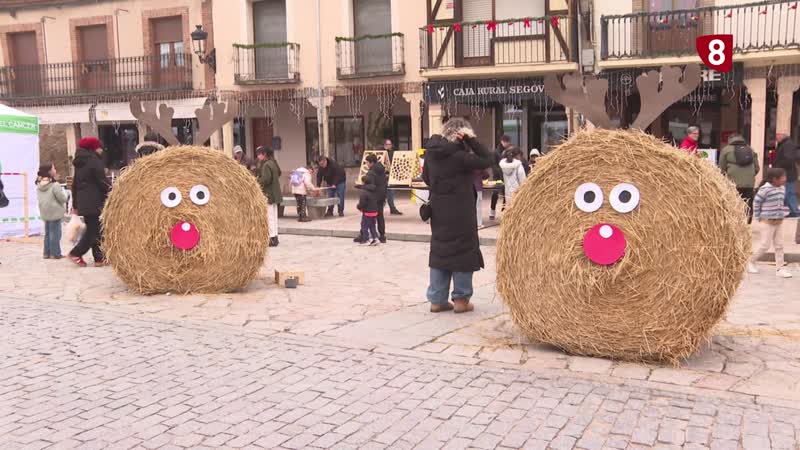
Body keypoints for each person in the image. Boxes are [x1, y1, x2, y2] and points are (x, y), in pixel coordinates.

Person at [422, 118, 494, 313]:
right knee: (463, 250)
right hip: (462, 212)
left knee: (440, 251)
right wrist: (472, 141)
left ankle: (437, 300)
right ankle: (461, 300)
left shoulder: (431, 155)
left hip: (439, 211)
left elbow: (426, 178)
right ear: (463, 135)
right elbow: (488, 159)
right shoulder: (461, 157)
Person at [69, 136, 111, 267]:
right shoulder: (94, 161)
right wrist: (113, 191)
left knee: (96, 229)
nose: (101, 150)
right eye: (99, 147)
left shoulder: (80, 163)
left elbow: (75, 185)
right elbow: (102, 181)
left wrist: (75, 204)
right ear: (93, 148)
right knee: (94, 231)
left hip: (84, 202)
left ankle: (99, 258)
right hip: (95, 201)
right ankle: (76, 253)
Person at [748, 168, 792, 278]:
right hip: (767, 222)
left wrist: (784, 212)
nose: (785, 179)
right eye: (782, 177)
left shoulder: (782, 188)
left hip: (779, 222)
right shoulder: (765, 189)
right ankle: (750, 261)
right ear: (774, 179)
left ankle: (780, 269)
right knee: (764, 245)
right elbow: (757, 203)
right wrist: (758, 216)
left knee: (779, 246)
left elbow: (781, 202)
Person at [719, 135, 759, 223]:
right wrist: (750, 176)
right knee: (748, 203)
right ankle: (747, 223)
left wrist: (725, 179)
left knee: (733, 203)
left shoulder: (726, 150)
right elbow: (757, 168)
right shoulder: (750, 150)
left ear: (730, 140)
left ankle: (735, 223)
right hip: (749, 183)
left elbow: (721, 168)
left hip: (732, 182)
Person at [354, 154, 389, 244]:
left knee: (366, 217)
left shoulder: (371, 172)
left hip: (373, 198)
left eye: (367, 163)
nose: (366, 164)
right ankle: (382, 236)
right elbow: (384, 184)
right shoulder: (382, 170)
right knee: (380, 216)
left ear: (372, 163)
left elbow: (370, 186)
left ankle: (363, 235)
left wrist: (360, 186)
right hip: (381, 196)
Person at [36, 162, 68, 260]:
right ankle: (55, 253)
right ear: (50, 171)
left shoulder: (39, 184)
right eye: (54, 168)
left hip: (45, 211)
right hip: (55, 212)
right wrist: (66, 193)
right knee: (55, 234)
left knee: (47, 233)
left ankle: (46, 253)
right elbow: (62, 199)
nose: (55, 170)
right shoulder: (55, 185)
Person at [256, 147, 282, 247]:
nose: (258, 156)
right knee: (274, 217)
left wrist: (256, 182)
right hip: (275, 193)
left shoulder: (266, 164)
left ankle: (271, 239)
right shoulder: (273, 162)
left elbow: (266, 179)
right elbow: (279, 173)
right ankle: (275, 237)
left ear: (264, 154)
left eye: (259, 154)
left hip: (269, 194)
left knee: (270, 217)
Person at [490, 135, 517, 219]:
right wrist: (500, 171)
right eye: (507, 142)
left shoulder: (508, 151)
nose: (508, 143)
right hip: (497, 176)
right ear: (502, 141)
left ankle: (504, 211)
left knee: (506, 194)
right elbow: (493, 165)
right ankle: (492, 210)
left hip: (506, 175)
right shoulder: (496, 152)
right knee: (495, 193)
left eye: (509, 142)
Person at [775, 132, 800, 217]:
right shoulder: (784, 144)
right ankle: (793, 211)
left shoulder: (787, 144)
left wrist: (778, 166)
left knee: (789, 193)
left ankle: (795, 211)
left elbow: (788, 160)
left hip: (787, 173)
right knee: (787, 192)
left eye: (778, 135)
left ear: (783, 135)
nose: (776, 137)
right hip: (785, 173)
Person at [356, 175, 380, 246]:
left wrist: (358, 207)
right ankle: (375, 238)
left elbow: (362, 203)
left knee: (364, 225)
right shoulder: (374, 190)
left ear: (363, 182)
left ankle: (366, 239)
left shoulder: (364, 192)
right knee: (372, 226)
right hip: (374, 211)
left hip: (367, 212)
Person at [383, 139, 403, 215]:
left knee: (390, 192)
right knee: (383, 193)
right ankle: (380, 209)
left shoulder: (392, 153)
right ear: (385, 145)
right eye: (388, 144)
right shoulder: (382, 152)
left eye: (390, 144)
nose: (389, 146)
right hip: (383, 176)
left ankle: (392, 208)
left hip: (390, 176)